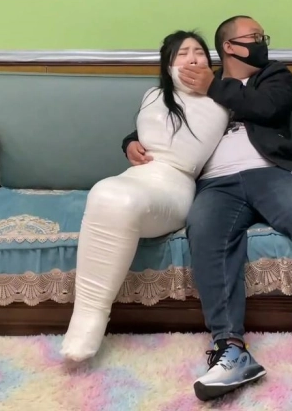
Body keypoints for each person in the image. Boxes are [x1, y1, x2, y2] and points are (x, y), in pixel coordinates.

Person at [122, 16, 292, 401]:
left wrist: (213, 86)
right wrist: (131, 142)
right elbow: (163, 118)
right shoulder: (199, 81)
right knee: (203, 229)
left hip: (274, 174)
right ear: (230, 46)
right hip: (217, 184)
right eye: (254, 37)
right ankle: (231, 348)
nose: (262, 42)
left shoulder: (273, 76)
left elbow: (269, 108)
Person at [61, 31, 229, 362]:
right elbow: (153, 130)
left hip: (176, 185)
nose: (192, 58)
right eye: (182, 53)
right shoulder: (153, 95)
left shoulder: (223, 98)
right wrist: (130, 142)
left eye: (199, 52)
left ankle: (92, 316)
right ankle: (88, 315)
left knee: (120, 200)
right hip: (137, 177)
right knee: (106, 193)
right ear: (168, 65)